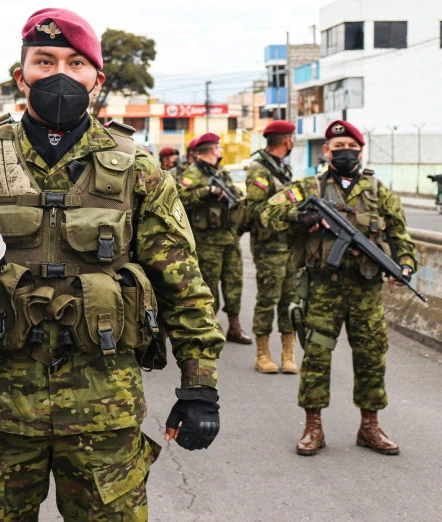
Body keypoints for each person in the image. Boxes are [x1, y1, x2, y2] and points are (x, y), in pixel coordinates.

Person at [0, 8, 225, 521]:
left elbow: (182, 284)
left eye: (76, 64)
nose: (60, 74)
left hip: (105, 410)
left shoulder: (138, 168)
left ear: (97, 81)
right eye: (44, 60)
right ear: (22, 75)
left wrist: (199, 385)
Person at [260, 120, 417, 456]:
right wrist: (299, 215)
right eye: (338, 147)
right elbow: (266, 215)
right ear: (326, 151)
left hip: (366, 292)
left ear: (361, 151)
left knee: (371, 358)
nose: (345, 152)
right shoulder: (309, 186)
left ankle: (369, 426)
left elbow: (400, 236)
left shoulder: (378, 192)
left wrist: (405, 264)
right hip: (323, 291)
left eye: (351, 147)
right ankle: (313, 427)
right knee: (316, 358)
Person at [176, 133, 252, 344]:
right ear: (212, 150)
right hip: (208, 240)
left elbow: (235, 195)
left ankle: (234, 326)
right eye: (218, 148)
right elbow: (179, 198)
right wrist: (206, 191)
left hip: (229, 236)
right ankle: (211, 324)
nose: (220, 151)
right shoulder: (193, 173)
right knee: (209, 284)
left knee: (234, 282)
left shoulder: (220, 172)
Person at [245, 120, 298, 373]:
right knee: (268, 298)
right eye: (292, 138)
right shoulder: (259, 171)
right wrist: (287, 212)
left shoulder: (281, 168)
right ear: (287, 141)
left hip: (288, 245)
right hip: (269, 247)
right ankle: (262, 353)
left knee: (290, 299)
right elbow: (253, 210)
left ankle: (288, 353)